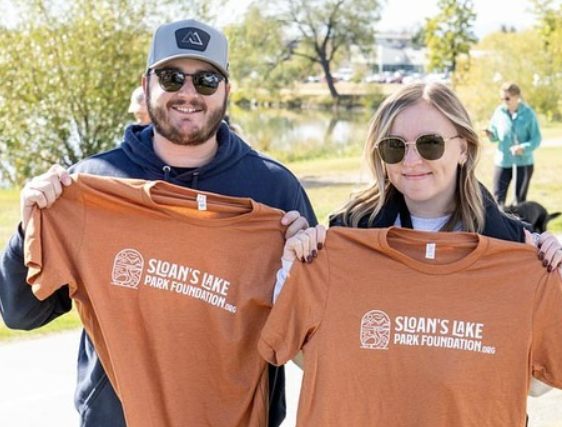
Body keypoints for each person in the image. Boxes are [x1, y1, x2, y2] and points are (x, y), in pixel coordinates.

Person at [0, 19, 316, 427]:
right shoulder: (96, 182)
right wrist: (29, 227)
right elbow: (20, 314)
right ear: (147, 83)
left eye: (205, 80)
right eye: (171, 77)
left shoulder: (273, 190)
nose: (188, 93)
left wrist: (302, 266)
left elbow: (310, 339)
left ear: (226, 91)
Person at [263, 82, 562, 426]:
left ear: (463, 148)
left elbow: (537, 382)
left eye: (430, 144)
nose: (411, 160)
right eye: (394, 147)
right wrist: (293, 268)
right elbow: (306, 354)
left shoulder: (514, 249)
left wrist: (552, 285)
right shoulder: (346, 239)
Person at [485, 82, 541, 206]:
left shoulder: (528, 113)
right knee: (497, 199)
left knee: (519, 201)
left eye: (507, 98)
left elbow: (536, 138)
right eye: (502, 98)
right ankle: (499, 225)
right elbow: (495, 135)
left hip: (523, 163)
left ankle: (519, 225)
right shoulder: (499, 112)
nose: (504, 101)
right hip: (502, 162)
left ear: (517, 97)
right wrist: (491, 135)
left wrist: (524, 148)